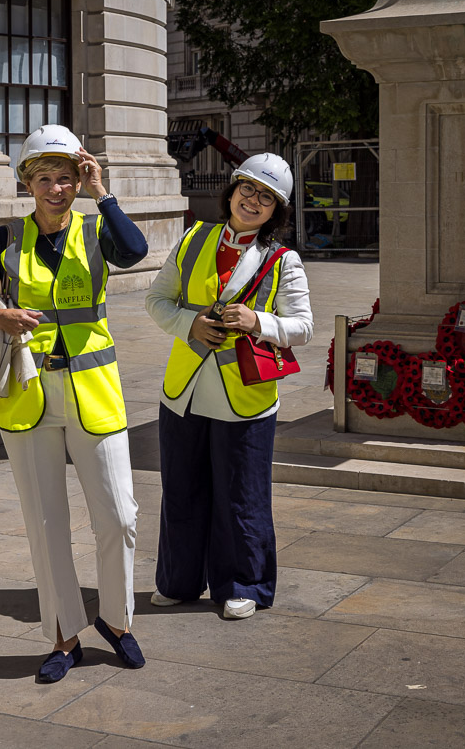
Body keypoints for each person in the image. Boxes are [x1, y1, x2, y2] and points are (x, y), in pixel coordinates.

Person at [0, 125, 148, 683]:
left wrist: (102, 192)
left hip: (94, 393)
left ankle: (116, 621)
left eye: (66, 176)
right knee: (46, 524)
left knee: (119, 517)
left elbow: (134, 251)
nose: (57, 188)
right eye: (45, 177)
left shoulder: (96, 230)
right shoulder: (5, 239)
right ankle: (64, 636)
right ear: (27, 182)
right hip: (29, 395)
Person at [145, 153, 313, 620]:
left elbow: (302, 327)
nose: (253, 200)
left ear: (276, 211)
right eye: (248, 189)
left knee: (242, 494)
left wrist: (257, 320)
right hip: (184, 390)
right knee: (180, 489)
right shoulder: (194, 237)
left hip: (246, 395)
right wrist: (189, 324)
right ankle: (178, 581)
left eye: (266, 197)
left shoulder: (284, 259)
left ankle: (245, 584)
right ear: (232, 190)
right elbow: (156, 299)